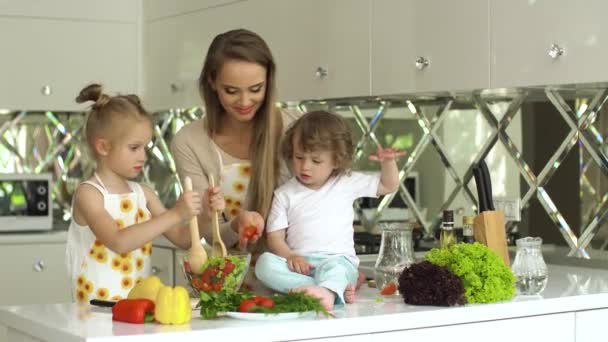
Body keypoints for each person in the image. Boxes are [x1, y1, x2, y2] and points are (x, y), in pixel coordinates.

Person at [66, 84, 223, 303]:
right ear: (103, 147)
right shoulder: (89, 194)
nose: (143, 156)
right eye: (134, 148)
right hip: (93, 310)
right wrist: (176, 214)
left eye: (145, 148)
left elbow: (183, 239)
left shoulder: (144, 194)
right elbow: (118, 242)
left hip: (137, 308)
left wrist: (206, 212)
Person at [254, 111, 405, 310]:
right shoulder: (284, 194)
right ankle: (327, 290)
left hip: (337, 260)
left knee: (337, 271)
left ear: (336, 160)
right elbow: (275, 237)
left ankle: (327, 289)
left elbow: (389, 185)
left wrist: (388, 162)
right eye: (299, 157)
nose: (305, 166)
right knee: (264, 264)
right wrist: (291, 256)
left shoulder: (346, 182)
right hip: (300, 266)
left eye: (316, 161)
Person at [170, 28, 300, 250]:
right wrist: (237, 224)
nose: (245, 101)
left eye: (256, 89)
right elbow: (211, 232)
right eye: (231, 91)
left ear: (268, 81)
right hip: (233, 276)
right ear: (212, 81)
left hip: (299, 273)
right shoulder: (189, 142)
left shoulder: (295, 129)